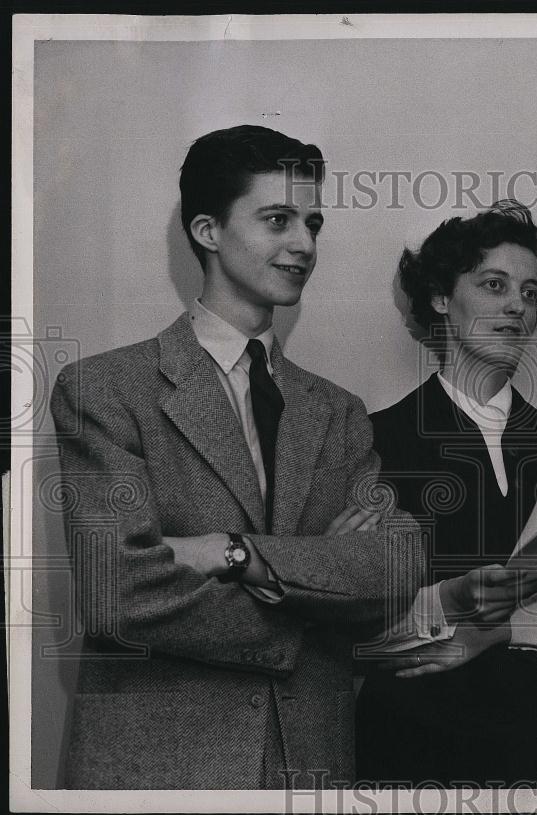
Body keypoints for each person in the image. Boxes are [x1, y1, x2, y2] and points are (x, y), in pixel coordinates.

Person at [49, 125, 424, 790]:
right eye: (277, 219)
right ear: (208, 230)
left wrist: (234, 552)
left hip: (312, 772)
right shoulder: (104, 390)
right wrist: (316, 602)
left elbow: (395, 567)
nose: (304, 244)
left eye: (312, 221)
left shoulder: (337, 411)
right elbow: (119, 593)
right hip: (162, 778)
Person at [353, 200, 537, 788]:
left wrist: (497, 631)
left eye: (529, 293)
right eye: (494, 285)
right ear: (441, 297)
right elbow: (354, 617)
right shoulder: (373, 442)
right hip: (417, 750)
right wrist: (449, 603)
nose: (516, 307)